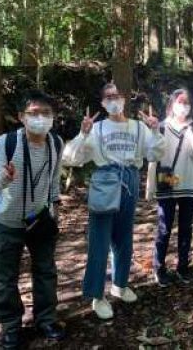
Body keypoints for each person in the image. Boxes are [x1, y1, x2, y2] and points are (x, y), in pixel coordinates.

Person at [62, 83, 164, 320]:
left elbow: (156, 154)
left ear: (124, 99)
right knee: (99, 240)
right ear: (102, 103)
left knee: (123, 238)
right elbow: (71, 159)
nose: (114, 100)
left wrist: (156, 131)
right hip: (105, 181)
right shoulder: (96, 129)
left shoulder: (139, 127)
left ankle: (120, 284)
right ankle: (97, 295)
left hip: (129, 181)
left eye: (117, 96)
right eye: (108, 97)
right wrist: (83, 133)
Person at [0, 90, 65, 349]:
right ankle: (10, 326)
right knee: (4, 276)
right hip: (7, 220)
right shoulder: (6, 143)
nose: (40, 118)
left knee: (45, 270)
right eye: (33, 113)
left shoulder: (56, 143)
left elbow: (54, 181)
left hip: (40, 218)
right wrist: (5, 178)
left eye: (46, 113)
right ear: (21, 117)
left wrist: (55, 211)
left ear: (53, 117)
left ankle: (46, 319)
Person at [148, 89, 193, 287]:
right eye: (180, 102)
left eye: (187, 102)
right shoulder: (162, 126)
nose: (183, 106)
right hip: (168, 179)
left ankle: (183, 267)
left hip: (189, 181)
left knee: (185, 228)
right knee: (165, 227)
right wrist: (153, 130)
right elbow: (153, 152)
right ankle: (159, 268)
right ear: (172, 103)